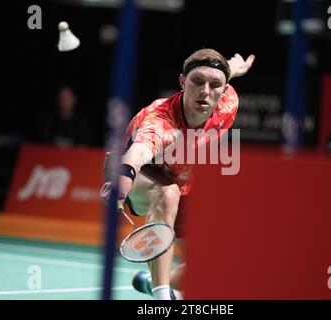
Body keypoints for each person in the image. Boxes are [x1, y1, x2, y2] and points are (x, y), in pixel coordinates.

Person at [99, 49, 255, 300]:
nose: (205, 91)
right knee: (167, 193)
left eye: (215, 84)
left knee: (225, 256)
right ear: (183, 82)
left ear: (224, 89)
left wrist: (234, 68)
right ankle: (163, 300)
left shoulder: (228, 102)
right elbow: (137, 154)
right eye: (197, 81)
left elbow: (222, 74)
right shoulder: (161, 122)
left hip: (186, 186)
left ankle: (155, 284)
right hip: (141, 178)